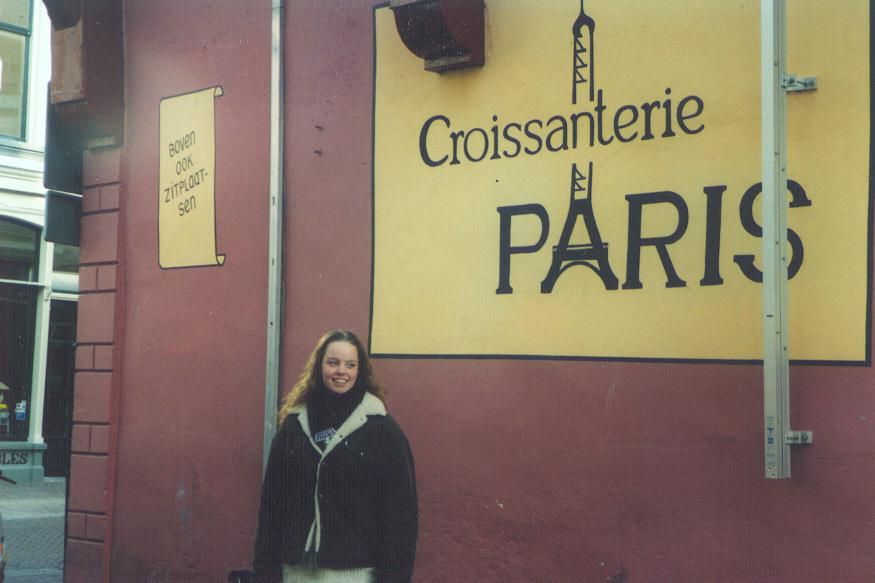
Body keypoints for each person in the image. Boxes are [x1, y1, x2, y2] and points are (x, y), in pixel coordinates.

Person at [254, 330, 418, 583]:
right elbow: (271, 506)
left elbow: (401, 515)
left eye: (350, 365)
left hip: (355, 573)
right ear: (319, 366)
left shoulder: (382, 429)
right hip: (295, 571)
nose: (341, 371)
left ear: (360, 371)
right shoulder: (295, 424)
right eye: (333, 363)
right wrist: (265, 572)